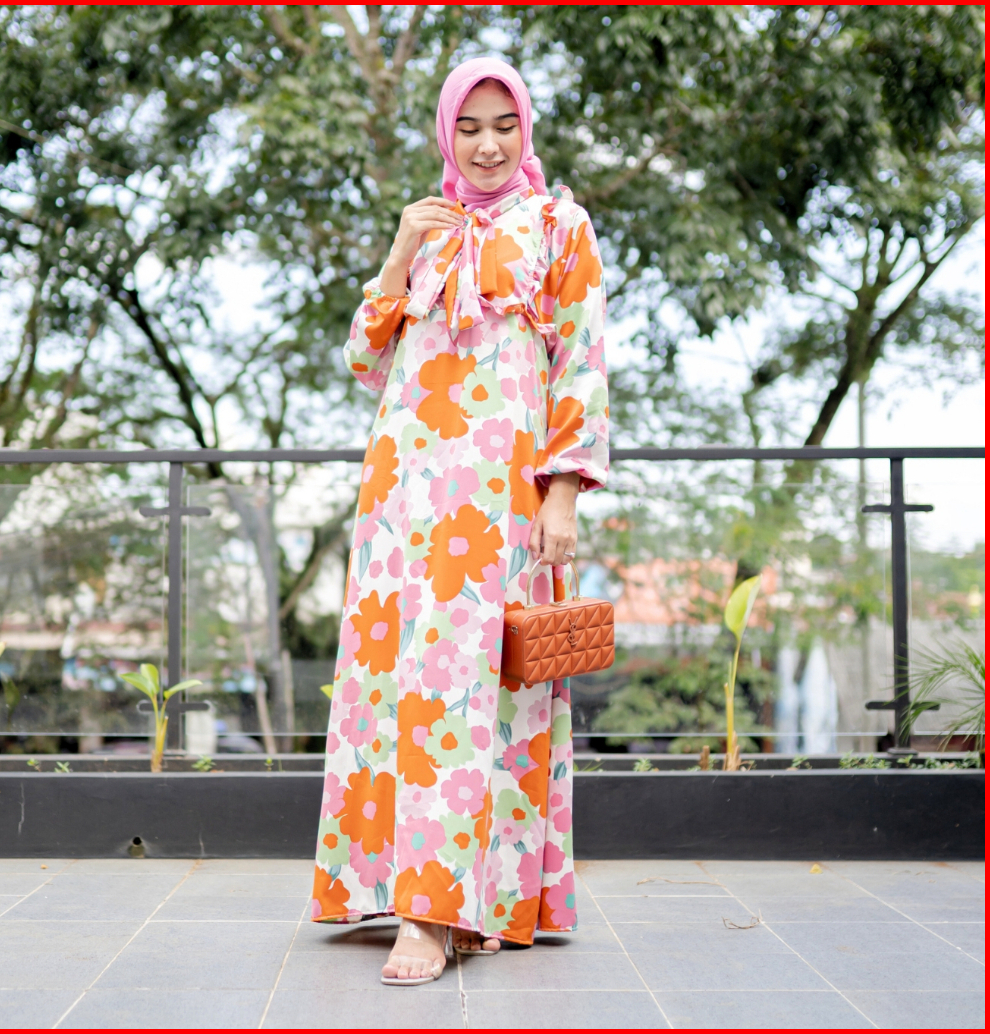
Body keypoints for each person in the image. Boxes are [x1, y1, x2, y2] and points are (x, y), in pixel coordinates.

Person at [311, 56, 609, 986]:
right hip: (402, 497)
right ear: (446, 134)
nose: (487, 145)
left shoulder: (559, 224)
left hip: (499, 497)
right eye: (469, 128)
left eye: (504, 126)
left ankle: (442, 910)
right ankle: (419, 895)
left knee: (481, 690)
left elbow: (582, 358)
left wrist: (563, 491)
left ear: (526, 130)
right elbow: (365, 361)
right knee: (399, 688)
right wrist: (401, 250)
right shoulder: (430, 230)